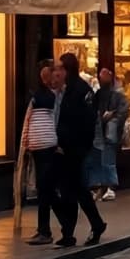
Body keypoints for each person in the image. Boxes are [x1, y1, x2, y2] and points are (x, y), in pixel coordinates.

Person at [52, 51, 105, 247]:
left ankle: (78, 230)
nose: (55, 72)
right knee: (71, 190)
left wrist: (74, 146)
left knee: (74, 190)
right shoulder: (67, 89)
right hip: (66, 148)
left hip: (73, 149)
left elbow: (86, 122)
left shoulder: (81, 91)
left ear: (66, 70)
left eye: (58, 68)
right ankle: (72, 232)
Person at [22, 60, 61, 245]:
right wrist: (26, 144)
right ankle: (54, 227)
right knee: (45, 190)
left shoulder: (56, 96)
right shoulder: (36, 96)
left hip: (49, 147)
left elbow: (57, 120)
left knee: (46, 190)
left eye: (50, 75)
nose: (47, 79)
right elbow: (27, 121)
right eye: (45, 75)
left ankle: (47, 230)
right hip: (38, 148)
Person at [88, 67, 129, 201]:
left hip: (109, 131)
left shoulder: (116, 94)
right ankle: (102, 186)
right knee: (100, 159)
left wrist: (113, 115)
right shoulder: (100, 93)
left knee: (108, 159)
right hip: (100, 130)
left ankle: (110, 187)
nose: (102, 79)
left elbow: (123, 111)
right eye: (101, 76)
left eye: (104, 76)